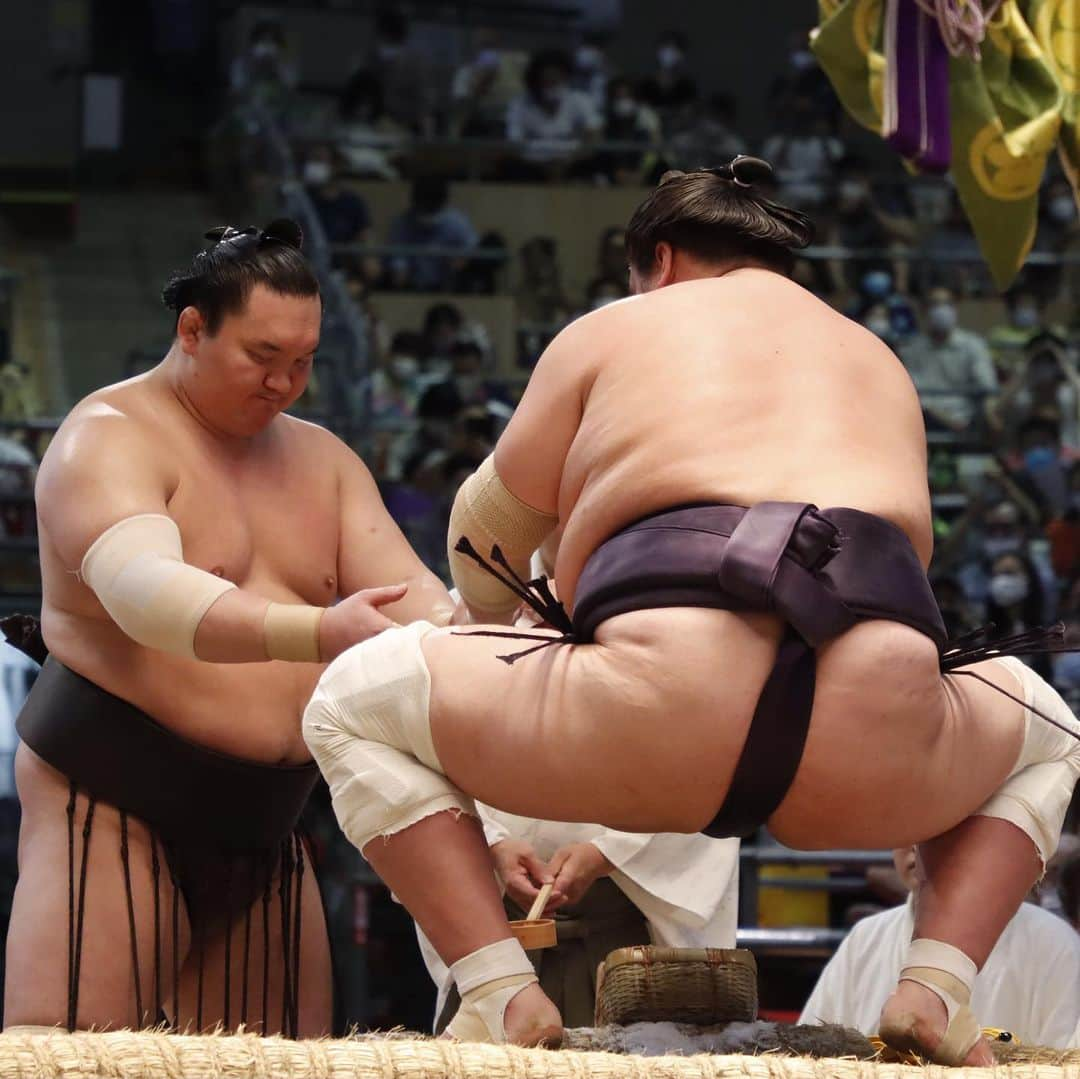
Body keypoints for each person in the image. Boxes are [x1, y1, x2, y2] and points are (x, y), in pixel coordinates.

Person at [301, 158, 1080, 1063]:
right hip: (864, 749)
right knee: (1052, 728)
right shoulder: (877, 358)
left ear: (658, 261)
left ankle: (501, 993)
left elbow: (483, 553)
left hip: (655, 714)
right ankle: (936, 992)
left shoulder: (620, 327)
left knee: (352, 700)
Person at [2, 220, 455, 1036]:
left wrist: (502, 639)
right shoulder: (104, 439)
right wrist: (317, 630)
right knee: (72, 1063)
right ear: (193, 329)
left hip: (266, 823)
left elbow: (421, 605)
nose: (285, 382)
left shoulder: (325, 462)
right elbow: (151, 598)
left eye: (304, 361)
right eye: (262, 356)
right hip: (110, 801)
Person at [417, 803, 740, 1031]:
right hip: (493, 919)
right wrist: (489, 840)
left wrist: (612, 852)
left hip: (628, 928)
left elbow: (709, 769)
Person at [799, 846, 1080, 1048]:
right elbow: (810, 1058)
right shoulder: (866, 939)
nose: (915, 843)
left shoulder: (1054, 945)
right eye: (905, 825)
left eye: (936, 823)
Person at [899, 288, 998, 435]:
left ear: (955, 309)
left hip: (968, 418)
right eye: (935, 304)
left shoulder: (973, 345)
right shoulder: (910, 350)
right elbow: (913, 393)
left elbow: (986, 385)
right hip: (925, 419)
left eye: (947, 304)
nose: (941, 310)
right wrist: (945, 419)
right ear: (924, 310)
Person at [385, 178, 478, 292]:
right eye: (425, 207)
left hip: (448, 285)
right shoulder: (402, 223)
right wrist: (399, 272)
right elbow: (398, 258)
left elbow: (472, 249)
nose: (428, 212)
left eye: (432, 208)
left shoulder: (457, 222)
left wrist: (461, 261)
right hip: (413, 285)